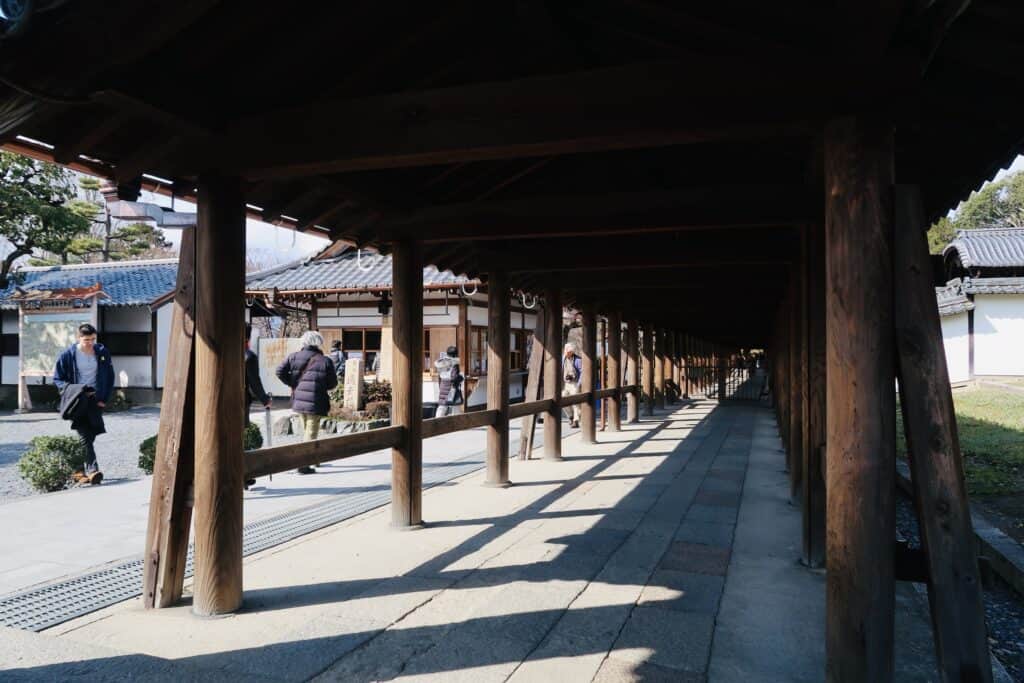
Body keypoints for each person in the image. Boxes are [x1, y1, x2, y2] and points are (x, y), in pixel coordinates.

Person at [53, 323, 114, 485]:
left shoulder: (102, 352)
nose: (90, 343)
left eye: (93, 339)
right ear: (78, 338)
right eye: (86, 339)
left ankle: (77, 470)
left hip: (96, 400)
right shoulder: (67, 355)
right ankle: (93, 470)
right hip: (78, 400)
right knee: (83, 435)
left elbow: (109, 376)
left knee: (91, 433)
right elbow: (58, 379)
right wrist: (74, 391)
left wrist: (104, 399)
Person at [275, 331, 337, 474]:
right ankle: (303, 464)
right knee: (311, 431)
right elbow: (332, 383)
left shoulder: (293, 356)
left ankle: (313, 459)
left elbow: (279, 371)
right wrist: (321, 386)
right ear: (318, 343)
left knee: (306, 431)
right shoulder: (325, 360)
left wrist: (292, 383)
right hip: (315, 400)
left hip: (298, 399)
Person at [244, 325, 271, 488]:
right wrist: (265, 399)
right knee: (237, 440)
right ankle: (243, 475)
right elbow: (254, 382)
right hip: (239, 402)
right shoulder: (249, 356)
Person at [434, 346, 464, 417]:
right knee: (456, 406)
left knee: (442, 406)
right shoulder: (454, 363)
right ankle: (456, 425)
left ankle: (436, 422)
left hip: (443, 385)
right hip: (452, 387)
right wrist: (461, 377)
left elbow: (439, 376)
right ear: (455, 354)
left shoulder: (441, 362)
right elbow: (454, 377)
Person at [562, 342, 583, 428]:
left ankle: (576, 420)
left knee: (575, 402)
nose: (566, 353)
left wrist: (579, 384)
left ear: (572, 352)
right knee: (563, 398)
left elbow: (582, 372)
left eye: (568, 351)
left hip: (575, 383)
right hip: (567, 383)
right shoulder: (563, 359)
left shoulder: (578, 360)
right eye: (566, 351)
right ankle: (570, 416)